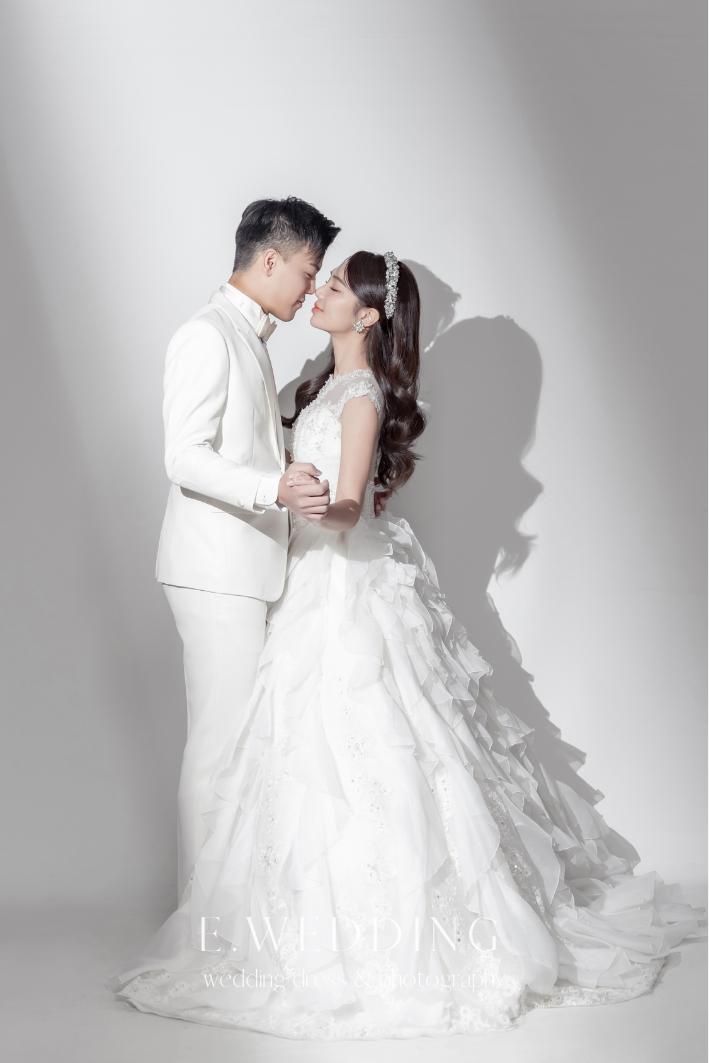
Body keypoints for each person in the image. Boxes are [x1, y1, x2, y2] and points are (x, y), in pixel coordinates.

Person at [108, 251, 705, 1038]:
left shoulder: (360, 395)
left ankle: (390, 930)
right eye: (318, 279)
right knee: (295, 746)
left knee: (371, 740)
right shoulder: (318, 384)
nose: (317, 292)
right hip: (300, 577)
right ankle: (268, 912)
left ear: (367, 315)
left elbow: (351, 506)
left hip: (342, 579)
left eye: (332, 287)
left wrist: (308, 504)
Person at [155, 196, 340, 897]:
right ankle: (200, 920)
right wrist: (274, 488)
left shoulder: (249, 337)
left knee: (238, 744)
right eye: (307, 271)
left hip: (244, 569)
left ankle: (223, 906)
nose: (311, 288)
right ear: (269, 260)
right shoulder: (207, 334)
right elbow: (183, 456)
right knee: (219, 746)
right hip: (215, 572)